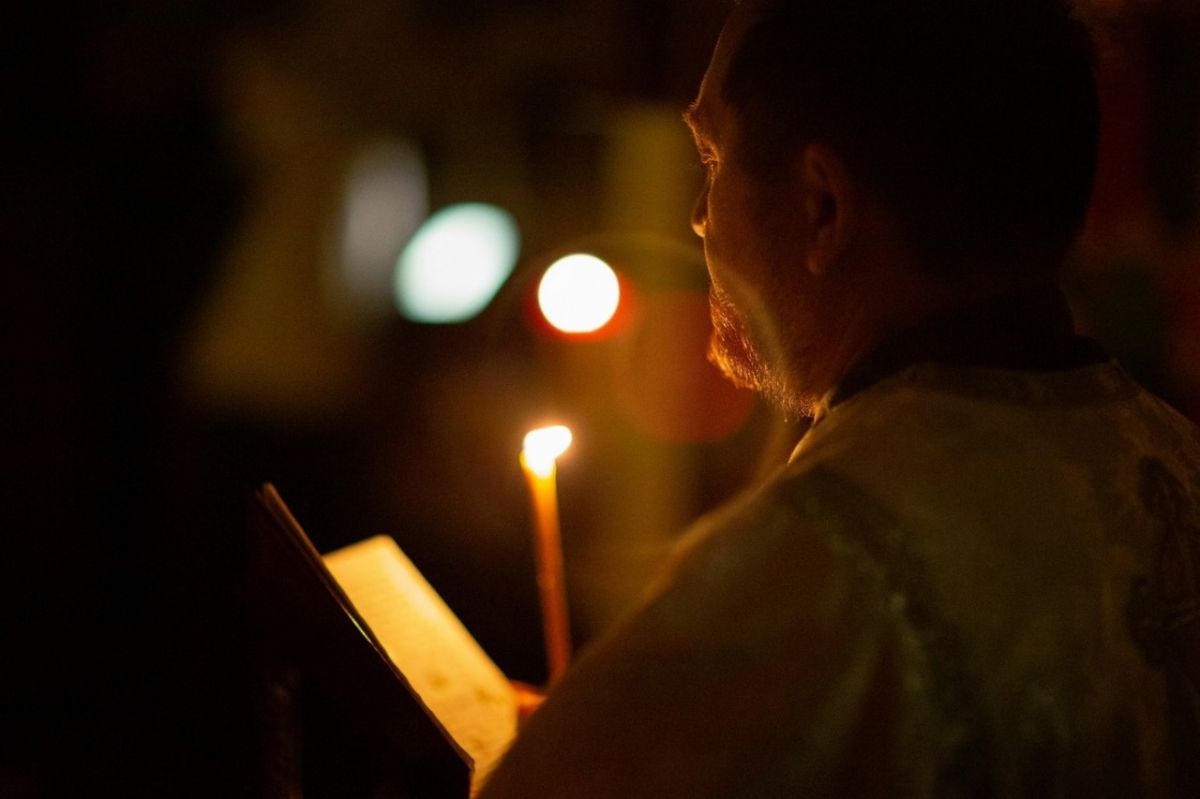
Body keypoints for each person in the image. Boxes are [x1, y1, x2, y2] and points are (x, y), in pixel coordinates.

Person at [480, 0, 1200, 795]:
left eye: (713, 161)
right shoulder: (1178, 464)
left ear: (822, 207)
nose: (695, 219)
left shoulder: (810, 563)